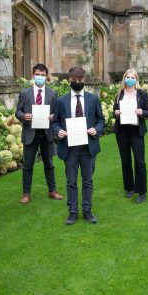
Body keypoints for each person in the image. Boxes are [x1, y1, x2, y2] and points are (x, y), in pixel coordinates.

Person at [55, 66, 106, 225]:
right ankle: (72, 212)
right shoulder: (61, 101)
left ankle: (87, 211)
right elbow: (54, 122)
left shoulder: (93, 99)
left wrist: (95, 129)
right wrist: (58, 131)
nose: (77, 83)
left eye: (80, 80)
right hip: (69, 147)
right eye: (74, 81)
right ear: (69, 80)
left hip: (88, 147)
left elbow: (101, 121)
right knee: (71, 182)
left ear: (85, 80)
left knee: (87, 181)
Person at [15, 63, 63, 204]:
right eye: (37, 74)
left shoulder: (53, 93)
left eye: (42, 75)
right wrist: (24, 116)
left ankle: (52, 190)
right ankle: (26, 194)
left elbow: (57, 114)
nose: (40, 77)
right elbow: (18, 112)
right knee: (28, 165)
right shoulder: (25, 93)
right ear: (33, 75)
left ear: (46, 77)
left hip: (47, 133)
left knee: (49, 163)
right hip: (30, 133)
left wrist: (53, 116)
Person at [112, 69, 148, 203]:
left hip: (136, 131)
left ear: (136, 80)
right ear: (124, 79)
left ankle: (142, 191)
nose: (129, 79)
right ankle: (129, 188)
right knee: (126, 161)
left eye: (132, 77)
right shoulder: (119, 94)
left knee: (139, 162)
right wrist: (116, 113)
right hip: (122, 131)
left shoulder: (142, 94)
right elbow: (114, 111)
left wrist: (142, 112)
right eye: (127, 77)